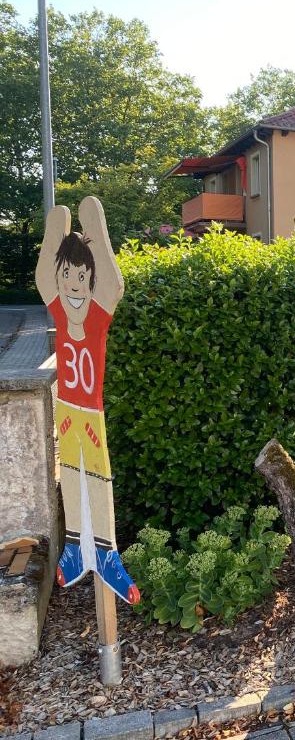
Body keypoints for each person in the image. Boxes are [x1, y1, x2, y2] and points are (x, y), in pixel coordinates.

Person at [35, 196, 140, 605]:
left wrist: (92, 222)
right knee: (72, 476)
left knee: (97, 478)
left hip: (90, 414)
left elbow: (113, 284)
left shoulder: (96, 317)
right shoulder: (61, 313)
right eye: (68, 274)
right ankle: (77, 548)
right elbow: (44, 278)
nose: (74, 284)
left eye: (82, 275)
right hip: (67, 411)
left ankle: (107, 551)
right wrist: (56, 227)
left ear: (90, 280)